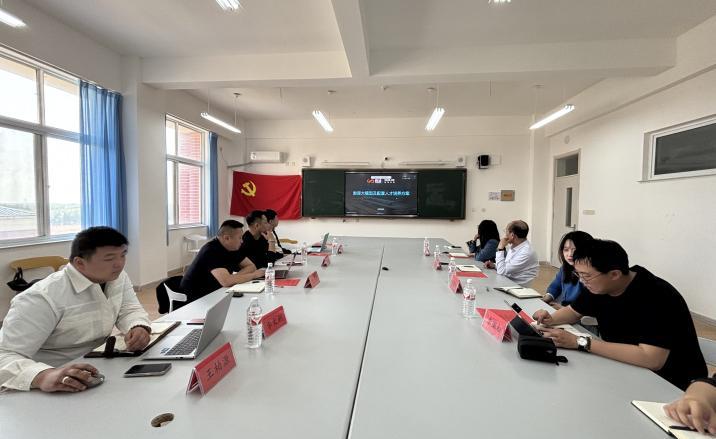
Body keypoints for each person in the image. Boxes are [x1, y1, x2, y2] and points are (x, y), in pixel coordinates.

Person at [533, 239, 707, 390]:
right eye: (578, 274)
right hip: (624, 367)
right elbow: (573, 312)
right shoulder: (599, 285)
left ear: (615, 274)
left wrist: (580, 342)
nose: (582, 281)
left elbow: (652, 359)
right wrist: (551, 319)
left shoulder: (657, 295)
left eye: (586, 276)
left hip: (671, 385)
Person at [0, 227, 151, 393]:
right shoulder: (41, 298)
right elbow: (4, 356)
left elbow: (129, 308)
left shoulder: (117, 277)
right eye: (109, 258)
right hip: (53, 381)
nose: (119, 264)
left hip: (97, 371)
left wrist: (137, 326)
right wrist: (43, 376)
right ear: (80, 263)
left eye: (123, 255)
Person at [180, 219, 264, 302]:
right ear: (227, 238)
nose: (242, 241)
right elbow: (226, 282)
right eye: (239, 238)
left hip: (216, 290)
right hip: (195, 298)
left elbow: (251, 266)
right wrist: (253, 275)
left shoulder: (232, 247)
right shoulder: (211, 251)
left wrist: (234, 278)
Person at [542, 230, 593, 308]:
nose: (570, 254)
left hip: (577, 312)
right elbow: (556, 286)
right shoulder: (565, 267)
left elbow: (589, 305)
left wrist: (562, 309)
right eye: (566, 250)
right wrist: (546, 298)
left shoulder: (593, 274)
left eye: (575, 250)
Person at [484, 220, 538, 286]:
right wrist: (494, 265)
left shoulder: (526, 252)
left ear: (512, 235)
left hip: (516, 287)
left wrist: (500, 249)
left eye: (506, 231)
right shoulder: (516, 246)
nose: (505, 235)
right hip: (507, 281)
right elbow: (508, 266)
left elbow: (502, 271)